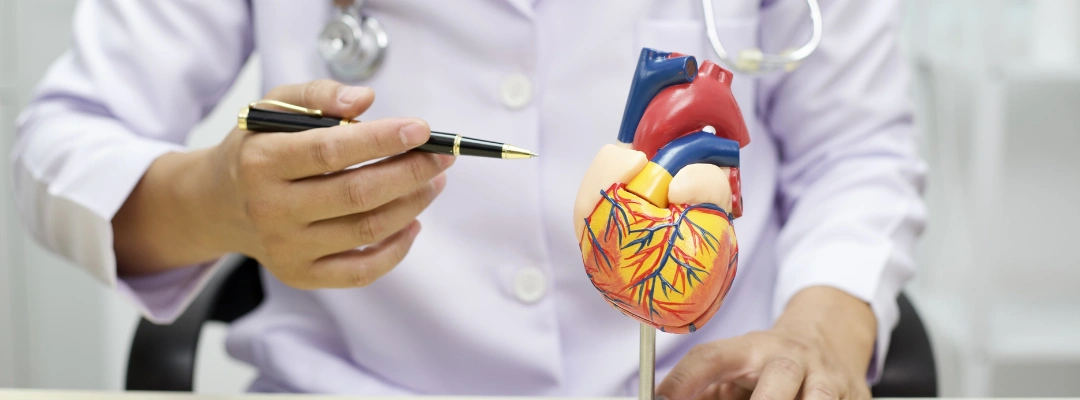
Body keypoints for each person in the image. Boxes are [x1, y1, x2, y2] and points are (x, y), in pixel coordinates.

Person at [10, 1, 926, 399]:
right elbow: (62, 141)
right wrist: (214, 202)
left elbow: (858, 145)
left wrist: (821, 334)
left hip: (704, 384)